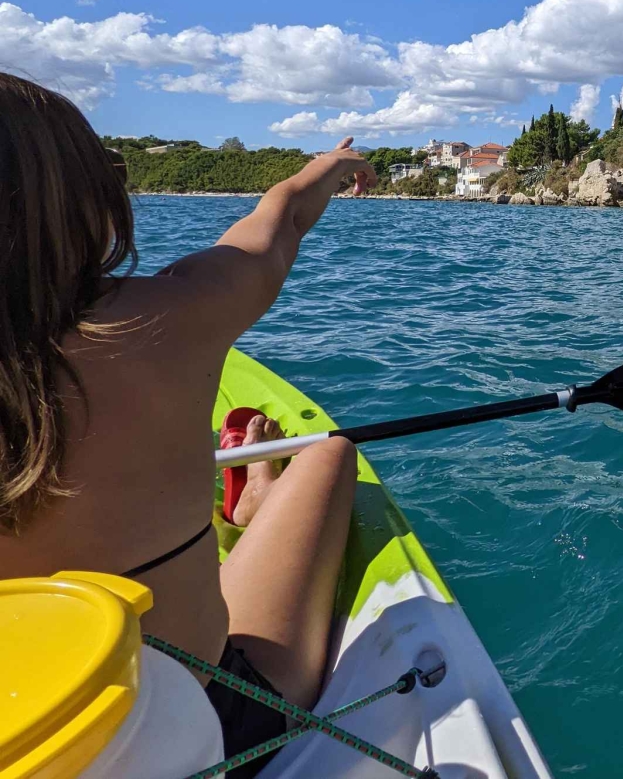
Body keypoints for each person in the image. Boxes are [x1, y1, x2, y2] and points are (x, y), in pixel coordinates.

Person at [0, 72, 376, 775]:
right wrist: (329, 167)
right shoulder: (170, 317)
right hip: (211, 731)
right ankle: (258, 495)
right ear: (89, 200)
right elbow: (279, 223)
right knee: (328, 455)